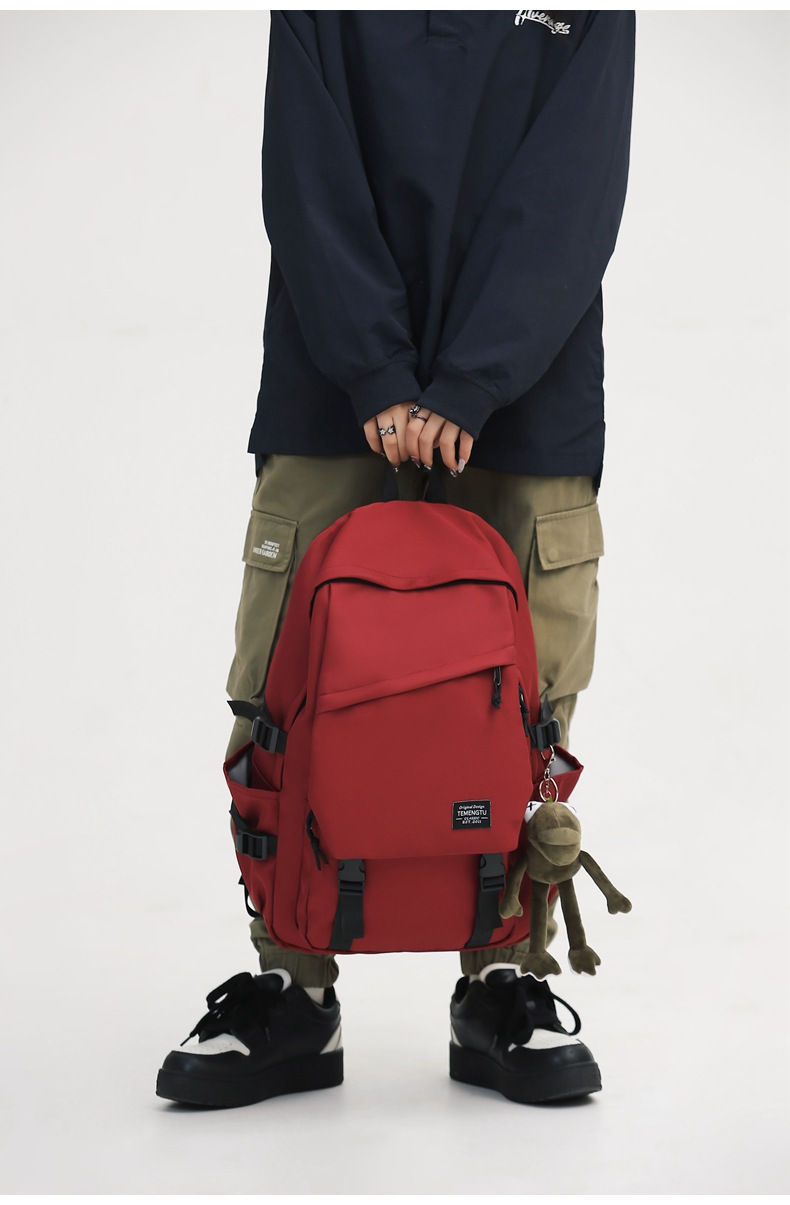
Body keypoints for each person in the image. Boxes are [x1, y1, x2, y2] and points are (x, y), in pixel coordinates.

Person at [156, 9, 635, 1109]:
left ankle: (504, 978)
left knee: (523, 695)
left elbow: (572, 180)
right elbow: (308, 165)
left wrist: (474, 377)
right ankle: (292, 985)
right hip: (330, 382)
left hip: (528, 390)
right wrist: (375, 367)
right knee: (286, 680)